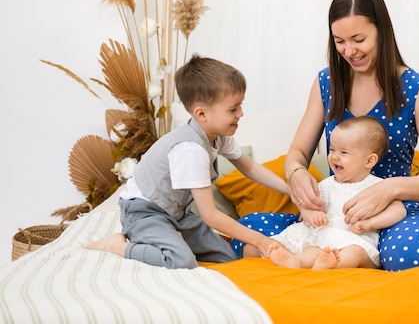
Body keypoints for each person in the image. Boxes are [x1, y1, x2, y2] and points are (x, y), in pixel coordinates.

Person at [235, 0, 419, 271]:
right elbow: (297, 152)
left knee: (407, 254)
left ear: (381, 30)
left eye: (358, 39)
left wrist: (389, 189)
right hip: (340, 213)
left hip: (399, 209)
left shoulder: (417, 90)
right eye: (339, 41)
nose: (349, 51)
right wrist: (296, 174)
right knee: (247, 233)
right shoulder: (326, 83)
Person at [87, 55, 288, 269]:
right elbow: (210, 215)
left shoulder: (219, 136)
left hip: (177, 215)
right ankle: (119, 247)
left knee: (228, 258)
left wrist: (290, 190)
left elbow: (249, 167)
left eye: (240, 105)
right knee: (182, 260)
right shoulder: (190, 150)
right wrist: (259, 240)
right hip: (144, 212)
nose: (241, 113)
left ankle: (170, 238)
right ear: (201, 113)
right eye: (233, 109)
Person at [267, 116, 406, 269]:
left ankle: (328, 265)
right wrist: (312, 215)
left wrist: (370, 223)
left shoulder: (378, 186)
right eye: (332, 149)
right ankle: (297, 262)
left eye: (344, 152)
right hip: (325, 238)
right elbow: (306, 205)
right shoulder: (326, 185)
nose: (335, 156)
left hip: (358, 238)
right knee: (312, 249)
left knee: (355, 253)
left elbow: (398, 211)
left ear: (369, 161)